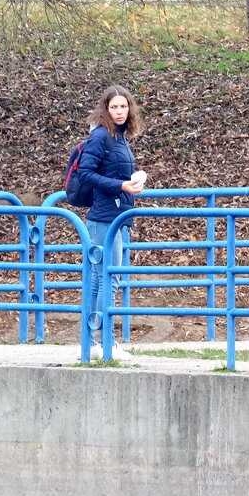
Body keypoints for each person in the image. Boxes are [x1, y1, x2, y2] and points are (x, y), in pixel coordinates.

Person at [77, 85, 146, 343]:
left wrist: (131, 184)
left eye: (123, 106)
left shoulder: (120, 137)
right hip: (104, 217)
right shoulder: (100, 137)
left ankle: (94, 337)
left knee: (102, 278)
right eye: (114, 107)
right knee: (109, 277)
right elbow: (86, 173)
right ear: (105, 109)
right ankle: (103, 338)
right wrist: (121, 186)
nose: (119, 111)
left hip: (116, 213)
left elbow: (114, 173)